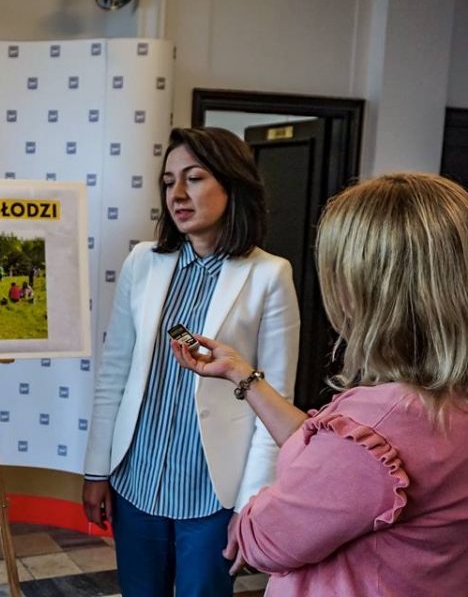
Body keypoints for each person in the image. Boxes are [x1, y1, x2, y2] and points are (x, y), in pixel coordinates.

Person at [171, 172, 468, 596]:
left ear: (366, 290)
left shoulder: (373, 434)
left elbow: (262, 541)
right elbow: (334, 460)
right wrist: (242, 374)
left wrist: (257, 502)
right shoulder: (435, 408)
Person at [82, 127, 300, 597]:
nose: (177, 194)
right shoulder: (144, 262)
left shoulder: (269, 275)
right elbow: (114, 373)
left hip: (213, 489)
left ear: (232, 184)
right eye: (168, 182)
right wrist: (97, 469)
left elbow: (275, 398)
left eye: (194, 178)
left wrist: (252, 501)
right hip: (136, 477)